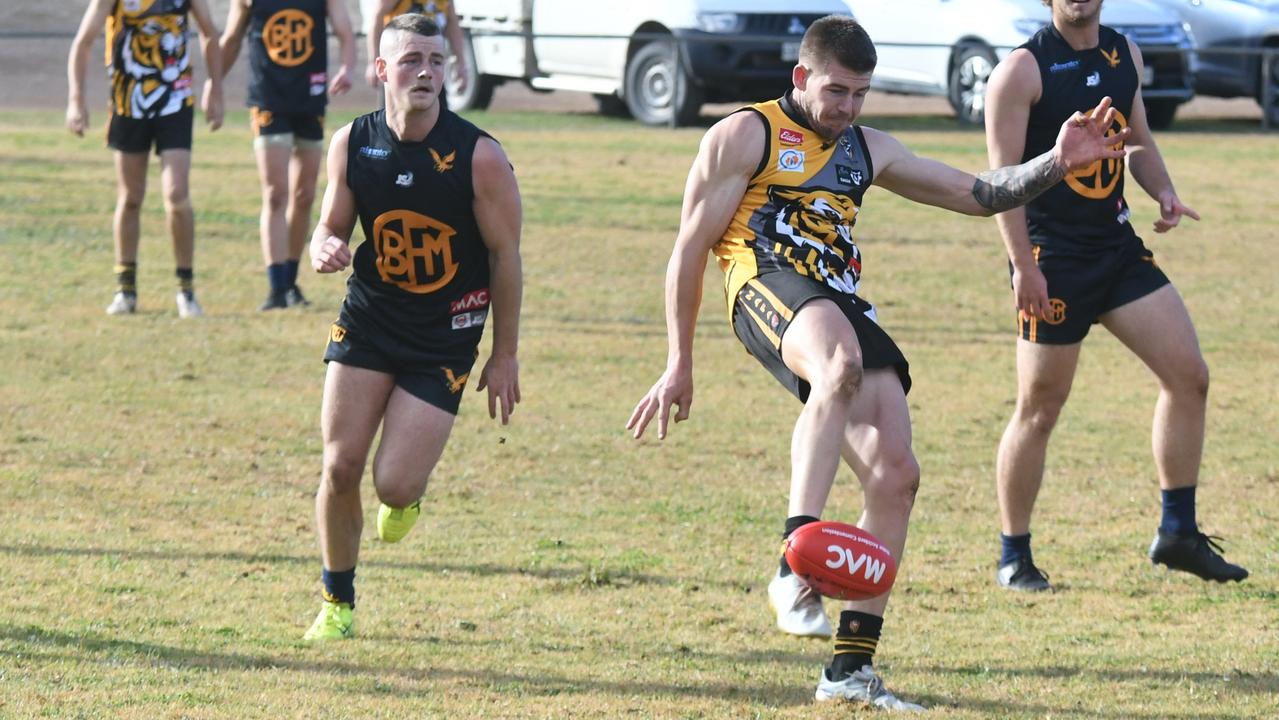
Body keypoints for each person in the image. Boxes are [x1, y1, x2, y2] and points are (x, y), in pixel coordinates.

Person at [626, 15, 1127, 711]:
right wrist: (678, 360)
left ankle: (849, 670)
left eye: (860, 93)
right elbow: (688, 249)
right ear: (801, 78)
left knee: (897, 474)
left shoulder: (869, 148)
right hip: (763, 280)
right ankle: (791, 557)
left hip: (837, 298)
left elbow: (977, 196)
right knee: (836, 365)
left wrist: (1056, 163)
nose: (847, 108)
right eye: (835, 91)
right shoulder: (747, 133)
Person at [983, 0, 1248, 592]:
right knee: (1040, 407)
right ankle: (1013, 555)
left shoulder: (1123, 51)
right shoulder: (1020, 72)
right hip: (1054, 261)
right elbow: (1000, 183)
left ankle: (1177, 532)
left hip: (1116, 248)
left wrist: (1165, 192)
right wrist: (1023, 267)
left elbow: (1139, 140)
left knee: (1190, 376)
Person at [302, 13, 522, 640]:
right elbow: (331, 225)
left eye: (435, 60)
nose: (425, 72)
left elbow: (506, 257)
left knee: (392, 484)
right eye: (410, 61)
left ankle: (406, 496)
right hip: (369, 320)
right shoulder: (351, 143)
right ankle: (336, 604)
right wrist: (322, 246)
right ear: (381, 70)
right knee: (339, 467)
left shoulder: (479, 156)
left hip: (445, 335)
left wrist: (503, 355)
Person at [67, 0, 224, 318]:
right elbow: (83, 42)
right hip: (128, 105)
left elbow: (210, 33)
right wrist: (76, 100)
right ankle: (126, 290)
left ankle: (186, 290)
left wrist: (215, 88)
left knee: (177, 195)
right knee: (130, 199)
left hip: (175, 102)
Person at [217, 0, 356, 310]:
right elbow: (231, 39)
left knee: (305, 194)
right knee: (276, 193)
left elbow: (345, 32)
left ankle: (291, 281)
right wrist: (213, 84)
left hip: (309, 97)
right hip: (269, 98)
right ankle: (276, 287)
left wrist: (347, 68)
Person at [365, 0, 468, 107]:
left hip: (432, 60)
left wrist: (461, 63)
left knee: (440, 118)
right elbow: (376, 19)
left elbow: (452, 24)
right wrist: (372, 62)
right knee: (393, 116)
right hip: (403, 60)